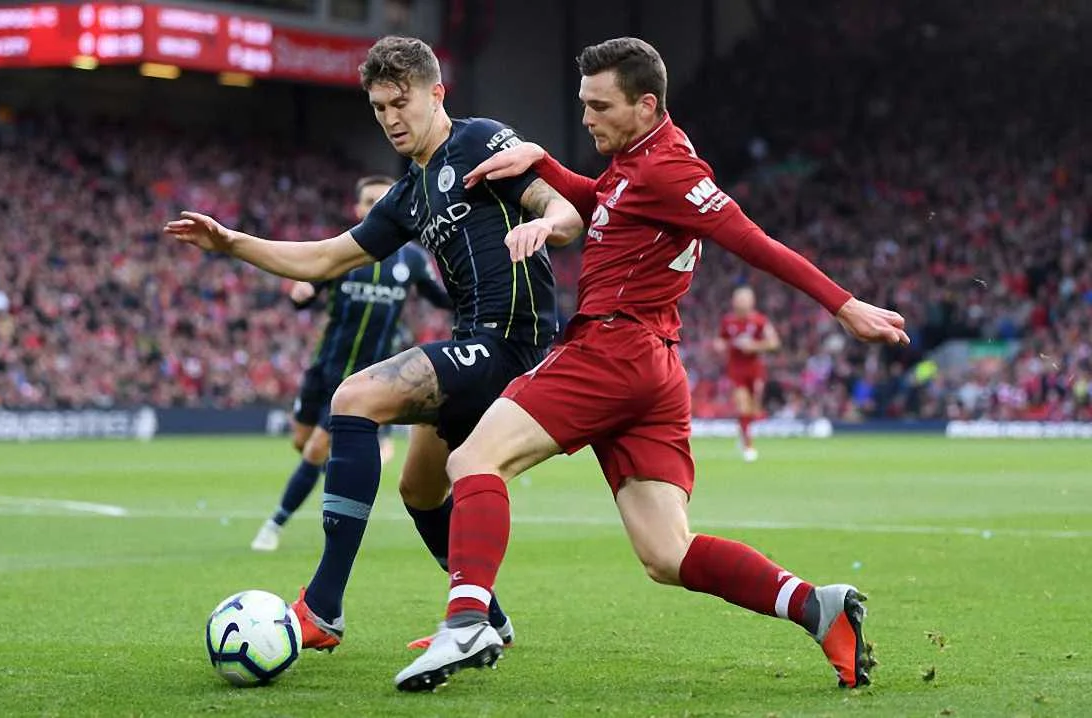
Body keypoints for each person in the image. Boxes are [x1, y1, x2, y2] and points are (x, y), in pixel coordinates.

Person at [393, 37, 908, 692]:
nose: (587, 118)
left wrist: (844, 305)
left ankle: (468, 623)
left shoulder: (669, 169)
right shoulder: (634, 161)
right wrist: (544, 161)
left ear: (645, 105)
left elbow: (749, 239)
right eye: (583, 104)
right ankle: (817, 607)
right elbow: (602, 204)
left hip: (610, 349)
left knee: (472, 460)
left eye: (600, 106)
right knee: (667, 553)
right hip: (654, 368)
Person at [165, 36, 583, 652]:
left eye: (400, 102)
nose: (390, 118)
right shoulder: (408, 194)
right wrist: (233, 243)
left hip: (514, 345)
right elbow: (325, 258)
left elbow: (561, 207)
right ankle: (487, 623)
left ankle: (322, 609)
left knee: (354, 398)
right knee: (420, 492)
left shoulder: (478, 140)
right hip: (473, 342)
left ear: (436, 94)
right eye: (379, 108)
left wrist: (547, 223)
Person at [251, 175, 452, 552]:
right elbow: (307, 288)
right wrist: (301, 293)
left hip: (366, 377)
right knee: (302, 443)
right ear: (358, 208)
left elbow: (442, 298)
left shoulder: (411, 259)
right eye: (369, 201)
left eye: (383, 199)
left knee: (316, 448)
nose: (376, 206)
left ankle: (273, 524)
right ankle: (355, 468)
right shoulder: (344, 252)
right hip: (324, 367)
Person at [713, 285, 780, 462]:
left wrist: (754, 346)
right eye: (739, 299)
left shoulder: (760, 321)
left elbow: (774, 342)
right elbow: (720, 340)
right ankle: (748, 447)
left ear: (752, 302)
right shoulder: (728, 321)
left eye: (745, 299)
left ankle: (743, 433)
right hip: (736, 370)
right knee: (743, 405)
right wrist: (719, 345)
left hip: (755, 369)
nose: (741, 303)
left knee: (753, 408)